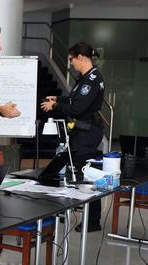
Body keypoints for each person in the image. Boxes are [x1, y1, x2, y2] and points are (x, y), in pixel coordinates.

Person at [41, 42, 105, 232]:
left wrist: (55, 107)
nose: (71, 64)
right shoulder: (85, 78)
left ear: (81, 57)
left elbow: (78, 108)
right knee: (75, 170)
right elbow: (74, 100)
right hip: (81, 131)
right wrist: (58, 99)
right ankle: (70, 210)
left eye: (72, 59)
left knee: (87, 174)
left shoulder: (92, 80)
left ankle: (93, 221)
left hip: (87, 132)